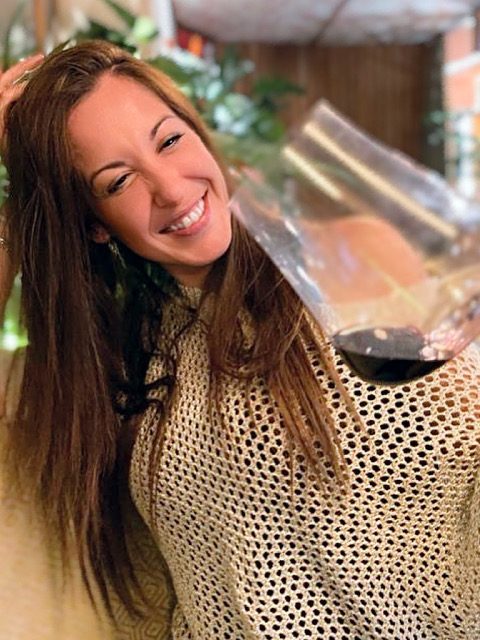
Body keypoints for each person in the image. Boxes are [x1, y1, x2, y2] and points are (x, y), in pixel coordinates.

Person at [0, 40, 479, 639]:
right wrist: (14, 206)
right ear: (95, 225)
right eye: (119, 180)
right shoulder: (121, 362)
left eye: (169, 141)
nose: (171, 189)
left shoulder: (340, 264)